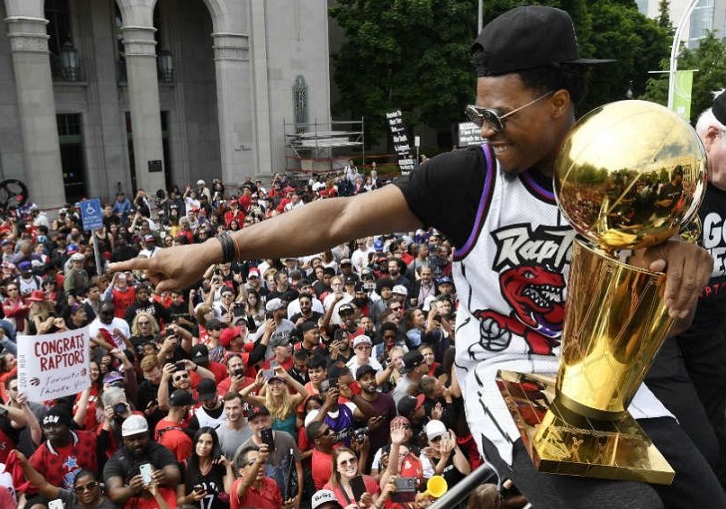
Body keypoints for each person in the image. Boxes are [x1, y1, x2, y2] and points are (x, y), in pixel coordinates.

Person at [110, 5, 721, 507]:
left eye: (497, 114)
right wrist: (216, 249)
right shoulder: (467, 180)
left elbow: (665, 282)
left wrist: (685, 261)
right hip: (510, 376)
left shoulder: (627, 173)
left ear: (558, 104)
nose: (484, 128)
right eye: (477, 113)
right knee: (628, 506)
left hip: (603, 376)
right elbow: (339, 217)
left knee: (704, 496)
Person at [645, 91, 726, 489]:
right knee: (699, 448)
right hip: (661, 339)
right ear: (711, 135)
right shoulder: (665, 172)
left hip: (710, 337)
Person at [178, 426, 234, 509]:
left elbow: (230, 492)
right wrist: (191, 497)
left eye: (208, 443)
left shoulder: (219, 464)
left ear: (214, 446)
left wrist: (228, 466)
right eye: (200, 441)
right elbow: (179, 501)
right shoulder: (184, 465)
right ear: (195, 443)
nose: (203, 446)